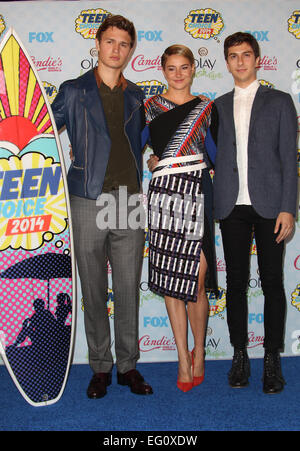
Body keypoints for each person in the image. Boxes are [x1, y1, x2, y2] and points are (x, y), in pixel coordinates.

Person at [51, 15, 153, 398]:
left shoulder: (137, 95)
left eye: (124, 44)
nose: (117, 49)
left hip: (128, 200)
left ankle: (128, 366)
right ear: (97, 44)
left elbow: (146, 139)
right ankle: (100, 367)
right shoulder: (74, 90)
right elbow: (44, 129)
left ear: (130, 50)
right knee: (93, 289)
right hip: (86, 197)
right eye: (110, 41)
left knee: (127, 289)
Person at [214, 32, 298, 394]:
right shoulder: (216, 106)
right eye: (233, 56)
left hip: (269, 206)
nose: (240, 62)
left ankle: (272, 358)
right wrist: (158, 158)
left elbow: (289, 159)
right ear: (227, 61)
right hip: (231, 205)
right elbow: (203, 153)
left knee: (273, 283)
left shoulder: (280, 101)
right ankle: (239, 355)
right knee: (234, 283)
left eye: (246, 55)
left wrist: (287, 208)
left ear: (258, 58)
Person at [146, 45, 218, 392]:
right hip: (163, 197)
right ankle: (181, 357)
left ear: (193, 69)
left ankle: (199, 352)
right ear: (163, 70)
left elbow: (217, 154)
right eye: (171, 68)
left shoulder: (206, 107)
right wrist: (157, 160)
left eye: (184, 67)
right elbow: (130, 146)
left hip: (197, 194)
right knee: (171, 281)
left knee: (197, 278)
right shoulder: (149, 108)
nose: (178, 73)